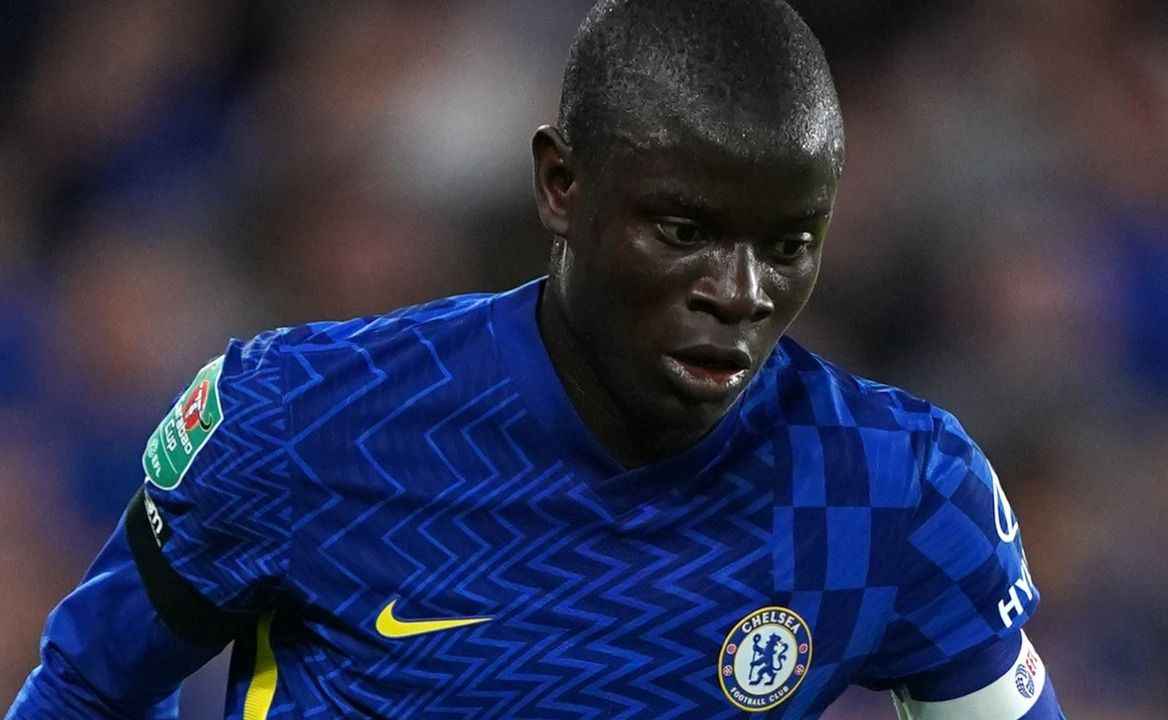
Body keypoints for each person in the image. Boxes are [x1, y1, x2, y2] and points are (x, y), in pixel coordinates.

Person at [6, 0, 1065, 718]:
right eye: (684, 231)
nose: (740, 293)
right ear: (561, 185)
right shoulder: (302, 420)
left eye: (788, 245)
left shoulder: (891, 489)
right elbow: (87, 693)